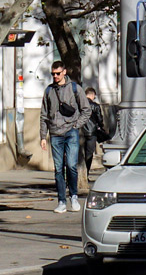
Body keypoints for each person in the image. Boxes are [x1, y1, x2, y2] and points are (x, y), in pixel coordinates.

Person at [40, 61, 91, 213]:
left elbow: (86, 110)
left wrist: (76, 125)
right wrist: (43, 136)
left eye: (57, 73)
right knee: (58, 169)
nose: (55, 76)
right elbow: (44, 115)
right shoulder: (49, 91)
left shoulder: (75, 88)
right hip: (55, 134)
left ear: (64, 72)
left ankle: (73, 196)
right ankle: (61, 201)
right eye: (53, 74)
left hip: (71, 132)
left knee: (71, 165)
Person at [80, 86, 112, 178]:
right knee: (89, 154)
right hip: (91, 132)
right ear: (92, 95)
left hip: (80, 132)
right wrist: (101, 127)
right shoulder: (95, 106)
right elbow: (99, 119)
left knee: (78, 154)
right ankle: (85, 174)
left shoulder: (79, 104)